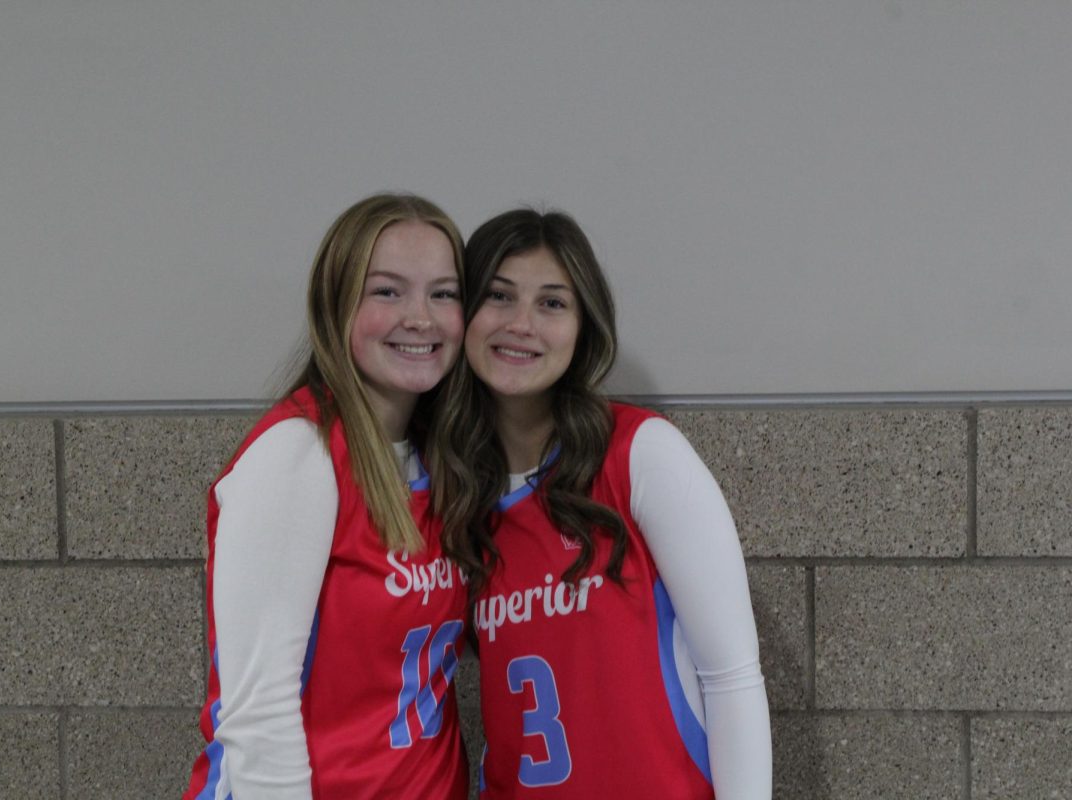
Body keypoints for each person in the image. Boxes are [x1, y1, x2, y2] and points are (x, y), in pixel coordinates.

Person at [432, 208, 772, 798]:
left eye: (552, 303)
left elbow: (733, 678)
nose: (522, 324)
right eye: (498, 296)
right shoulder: (457, 494)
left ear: (584, 325)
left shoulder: (642, 454)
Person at [184, 193, 471, 799]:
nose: (420, 317)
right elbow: (259, 716)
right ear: (335, 304)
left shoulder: (440, 461)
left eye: (443, 293)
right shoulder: (299, 454)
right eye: (387, 291)